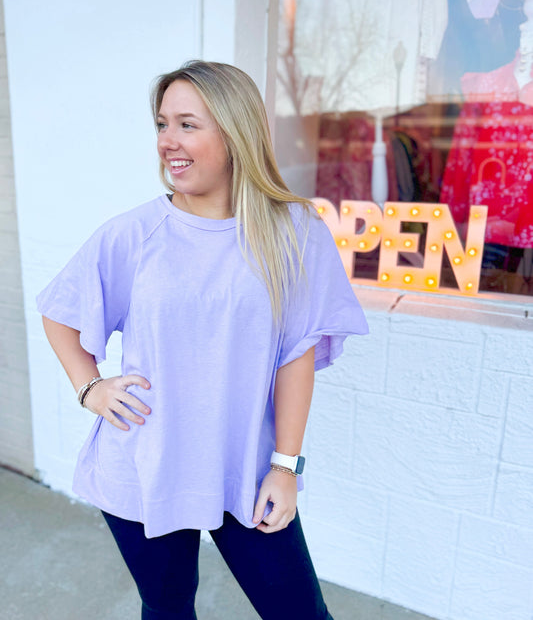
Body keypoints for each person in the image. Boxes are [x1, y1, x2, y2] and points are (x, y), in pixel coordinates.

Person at [37, 60, 368, 620]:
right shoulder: (135, 233)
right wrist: (89, 386)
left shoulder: (294, 233)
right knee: (168, 609)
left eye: (187, 124)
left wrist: (285, 467)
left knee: (301, 615)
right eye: (162, 125)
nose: (168, 141)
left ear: (235, 132)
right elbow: (61, 312)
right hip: (144, 464)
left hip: (248, 468)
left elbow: (296, 356)